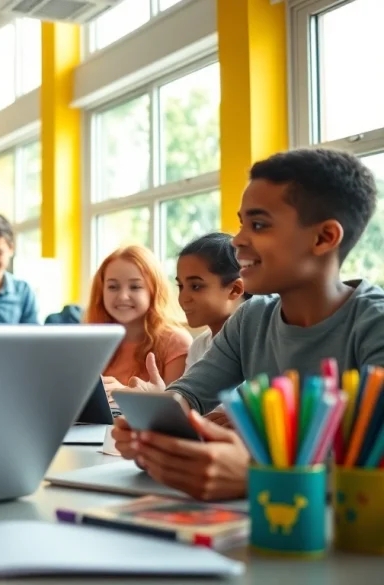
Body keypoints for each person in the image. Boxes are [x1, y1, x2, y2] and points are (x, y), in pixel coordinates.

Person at [110, 148, 384, 501]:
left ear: (324, 238)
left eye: (258, 225)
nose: (238, 240)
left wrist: (259, 475)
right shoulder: (252, 318)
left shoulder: (373, 324)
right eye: (241, 223)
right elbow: (190, 393)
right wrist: (154, 427)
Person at [89, 245, 192, 389]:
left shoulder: (176, 343)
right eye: (113, 287)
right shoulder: (92, 341)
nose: (123, 296)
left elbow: (177, 407)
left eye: (135, 287)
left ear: (154, 290)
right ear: (101, 292)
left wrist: (124, 394)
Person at [175, 233, 247, 371]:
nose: (183, 298)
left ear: (235, 290)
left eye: (196, 286)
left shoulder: (252, 345)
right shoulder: (199, 346)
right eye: (180, 286)